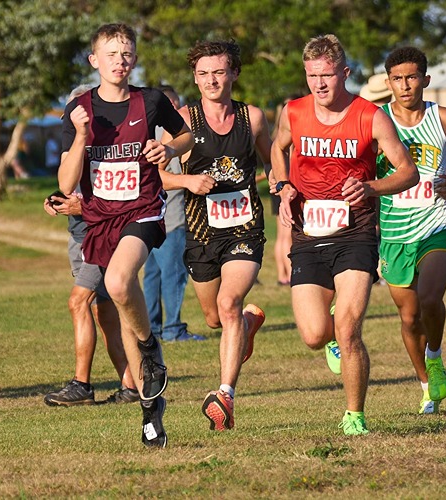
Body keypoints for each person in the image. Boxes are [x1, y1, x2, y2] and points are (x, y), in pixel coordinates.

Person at [270, 34, 418, 435]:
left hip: (356, 232)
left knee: (349, 329)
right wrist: (284, 185)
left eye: (328, 76)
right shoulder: (294, 112)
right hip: (307, 233)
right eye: (312, 76)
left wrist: (370, 187)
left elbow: (408, 172)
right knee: (315, 335)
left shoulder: (371, 116)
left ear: (345, 73)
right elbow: (277, 148)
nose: (319, 84)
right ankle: (332, 331)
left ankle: (354, 415)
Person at [58, 23, 194, 448]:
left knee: (118, 283)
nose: (121, 60)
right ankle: (151, 413)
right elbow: (66, 183)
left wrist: (169, 150)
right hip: (99, 217)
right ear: (94, 60)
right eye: (112, 53)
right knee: (119, 297)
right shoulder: (79, 109)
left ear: (133, 59)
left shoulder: (150, 100)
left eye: (127, 53)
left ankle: (150, 346)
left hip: (143, 210)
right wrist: (82, 136)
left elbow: (187, 136)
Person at [159, 40, 269, 432]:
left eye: (219, 72)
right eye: (203, 73)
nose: (211, 80)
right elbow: (156, 175)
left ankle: (225, 396)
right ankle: (247, 325)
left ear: (234, 73)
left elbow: (275, 162)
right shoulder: (182, 119)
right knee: (214, 318)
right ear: (195, 77)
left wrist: (285, 185)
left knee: (228, 302)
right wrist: (186, 179)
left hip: (245, 229)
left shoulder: (252, 118)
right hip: (202, 232)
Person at [377, 47, 446, 414]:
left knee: (429, 299)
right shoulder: (378, 121)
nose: (405, 85)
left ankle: (434, 354)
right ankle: (426, 383)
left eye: (411, 77)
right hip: (394, 230)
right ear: (388, 82)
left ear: (425, 79)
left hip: (436, 220)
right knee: (408, 318)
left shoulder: (445, 118)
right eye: (397, 79)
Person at [43, 84, 139, 407]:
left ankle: (81, 384)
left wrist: (80, 208)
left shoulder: (114, 143)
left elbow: (119, 201)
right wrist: (58, 200)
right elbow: (69, 183)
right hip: (79, 235)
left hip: (104, 236)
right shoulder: (74, 140)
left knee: (77, 302)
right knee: (105, 313)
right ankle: (131, 385)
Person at [142, 86, 206, 343]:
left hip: (151, 217)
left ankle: (153, 327)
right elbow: (160, 178)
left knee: (153, 275)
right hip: (173, 216)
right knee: (174, 274)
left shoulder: (147, 134)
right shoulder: (170, 137)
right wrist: (190, 181)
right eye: (176, 106)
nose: (180, 113)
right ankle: (173, 329)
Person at [271, 94, 303, 287]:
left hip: (279, 183)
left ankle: (282, 273)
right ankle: (288, 274)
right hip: (287, 184)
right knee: (287, 233)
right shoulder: (291, 133)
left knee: (281, 234)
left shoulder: (276, 133)